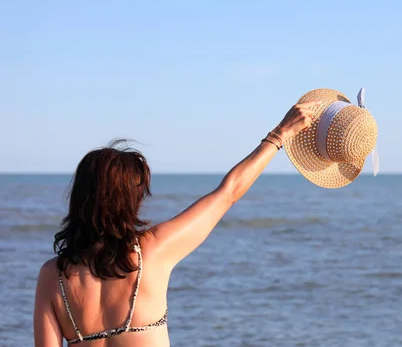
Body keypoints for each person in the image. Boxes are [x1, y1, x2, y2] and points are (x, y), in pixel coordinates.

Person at [33, 100, 319, 347]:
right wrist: (279, 135)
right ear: (130, 200)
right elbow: (228, 193)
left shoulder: (52, 276)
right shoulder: (152, 251)